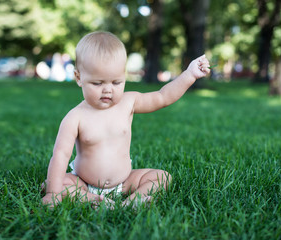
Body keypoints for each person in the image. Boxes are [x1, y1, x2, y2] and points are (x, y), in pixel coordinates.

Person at [42, 31, 211, 208]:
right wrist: (52, 194)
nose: (108, 90)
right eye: (98, 83)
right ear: (79, 78)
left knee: (162, 177)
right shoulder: (75, 117)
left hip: (124, 182)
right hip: (84, 182)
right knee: (53, 183)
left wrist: (189, 74)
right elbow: (60, 156)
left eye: (116, 82)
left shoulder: (128, 102)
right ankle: (92, 199)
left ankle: (132, 202)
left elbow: (163, 97)